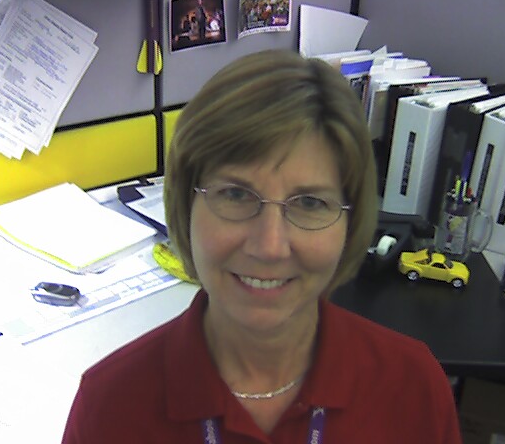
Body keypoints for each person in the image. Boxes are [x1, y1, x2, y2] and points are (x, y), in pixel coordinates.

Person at [61, 49, 462, 443]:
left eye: (309, 203)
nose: (270, 247)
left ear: (351, 222)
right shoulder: (111, 410)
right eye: (236, 195)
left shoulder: (413, 389)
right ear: (185, 206)